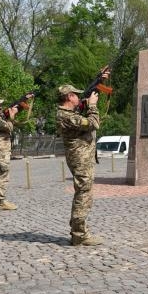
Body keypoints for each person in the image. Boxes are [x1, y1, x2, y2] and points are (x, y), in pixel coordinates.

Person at [55, 79, 107, 246]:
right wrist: (92, 105)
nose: (78, 98)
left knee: (84, 193)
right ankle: (79, 234)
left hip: (82, 158)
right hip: (80, 159)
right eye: (76, 95)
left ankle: (78, 230)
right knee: (83, 194)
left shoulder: (70, 113)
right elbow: (93, 123)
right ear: (69, 97)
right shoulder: (66, 116)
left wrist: (101, 78)